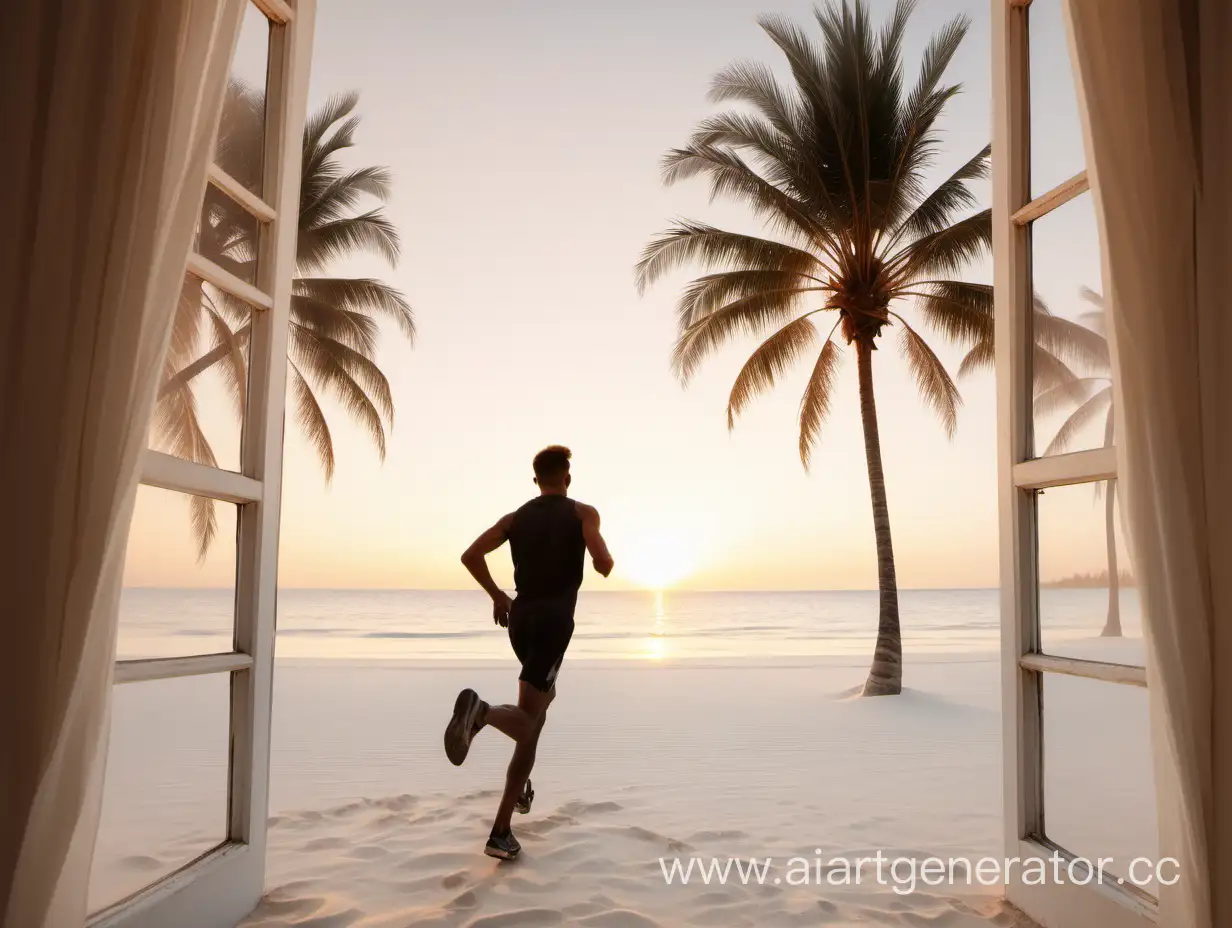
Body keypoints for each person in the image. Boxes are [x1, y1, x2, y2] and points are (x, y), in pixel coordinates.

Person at [447, 445, 614, 859]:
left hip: (520, 621)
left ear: (535, 479)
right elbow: (603, 560)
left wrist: (497, 596)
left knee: (535, 713)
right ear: (567, 478)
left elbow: (471, 556)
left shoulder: (515, 519)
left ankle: (502, 828)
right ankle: (480, 712)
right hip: (556, 623)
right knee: (527, 721)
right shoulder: (582, 512)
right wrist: (602, 560)